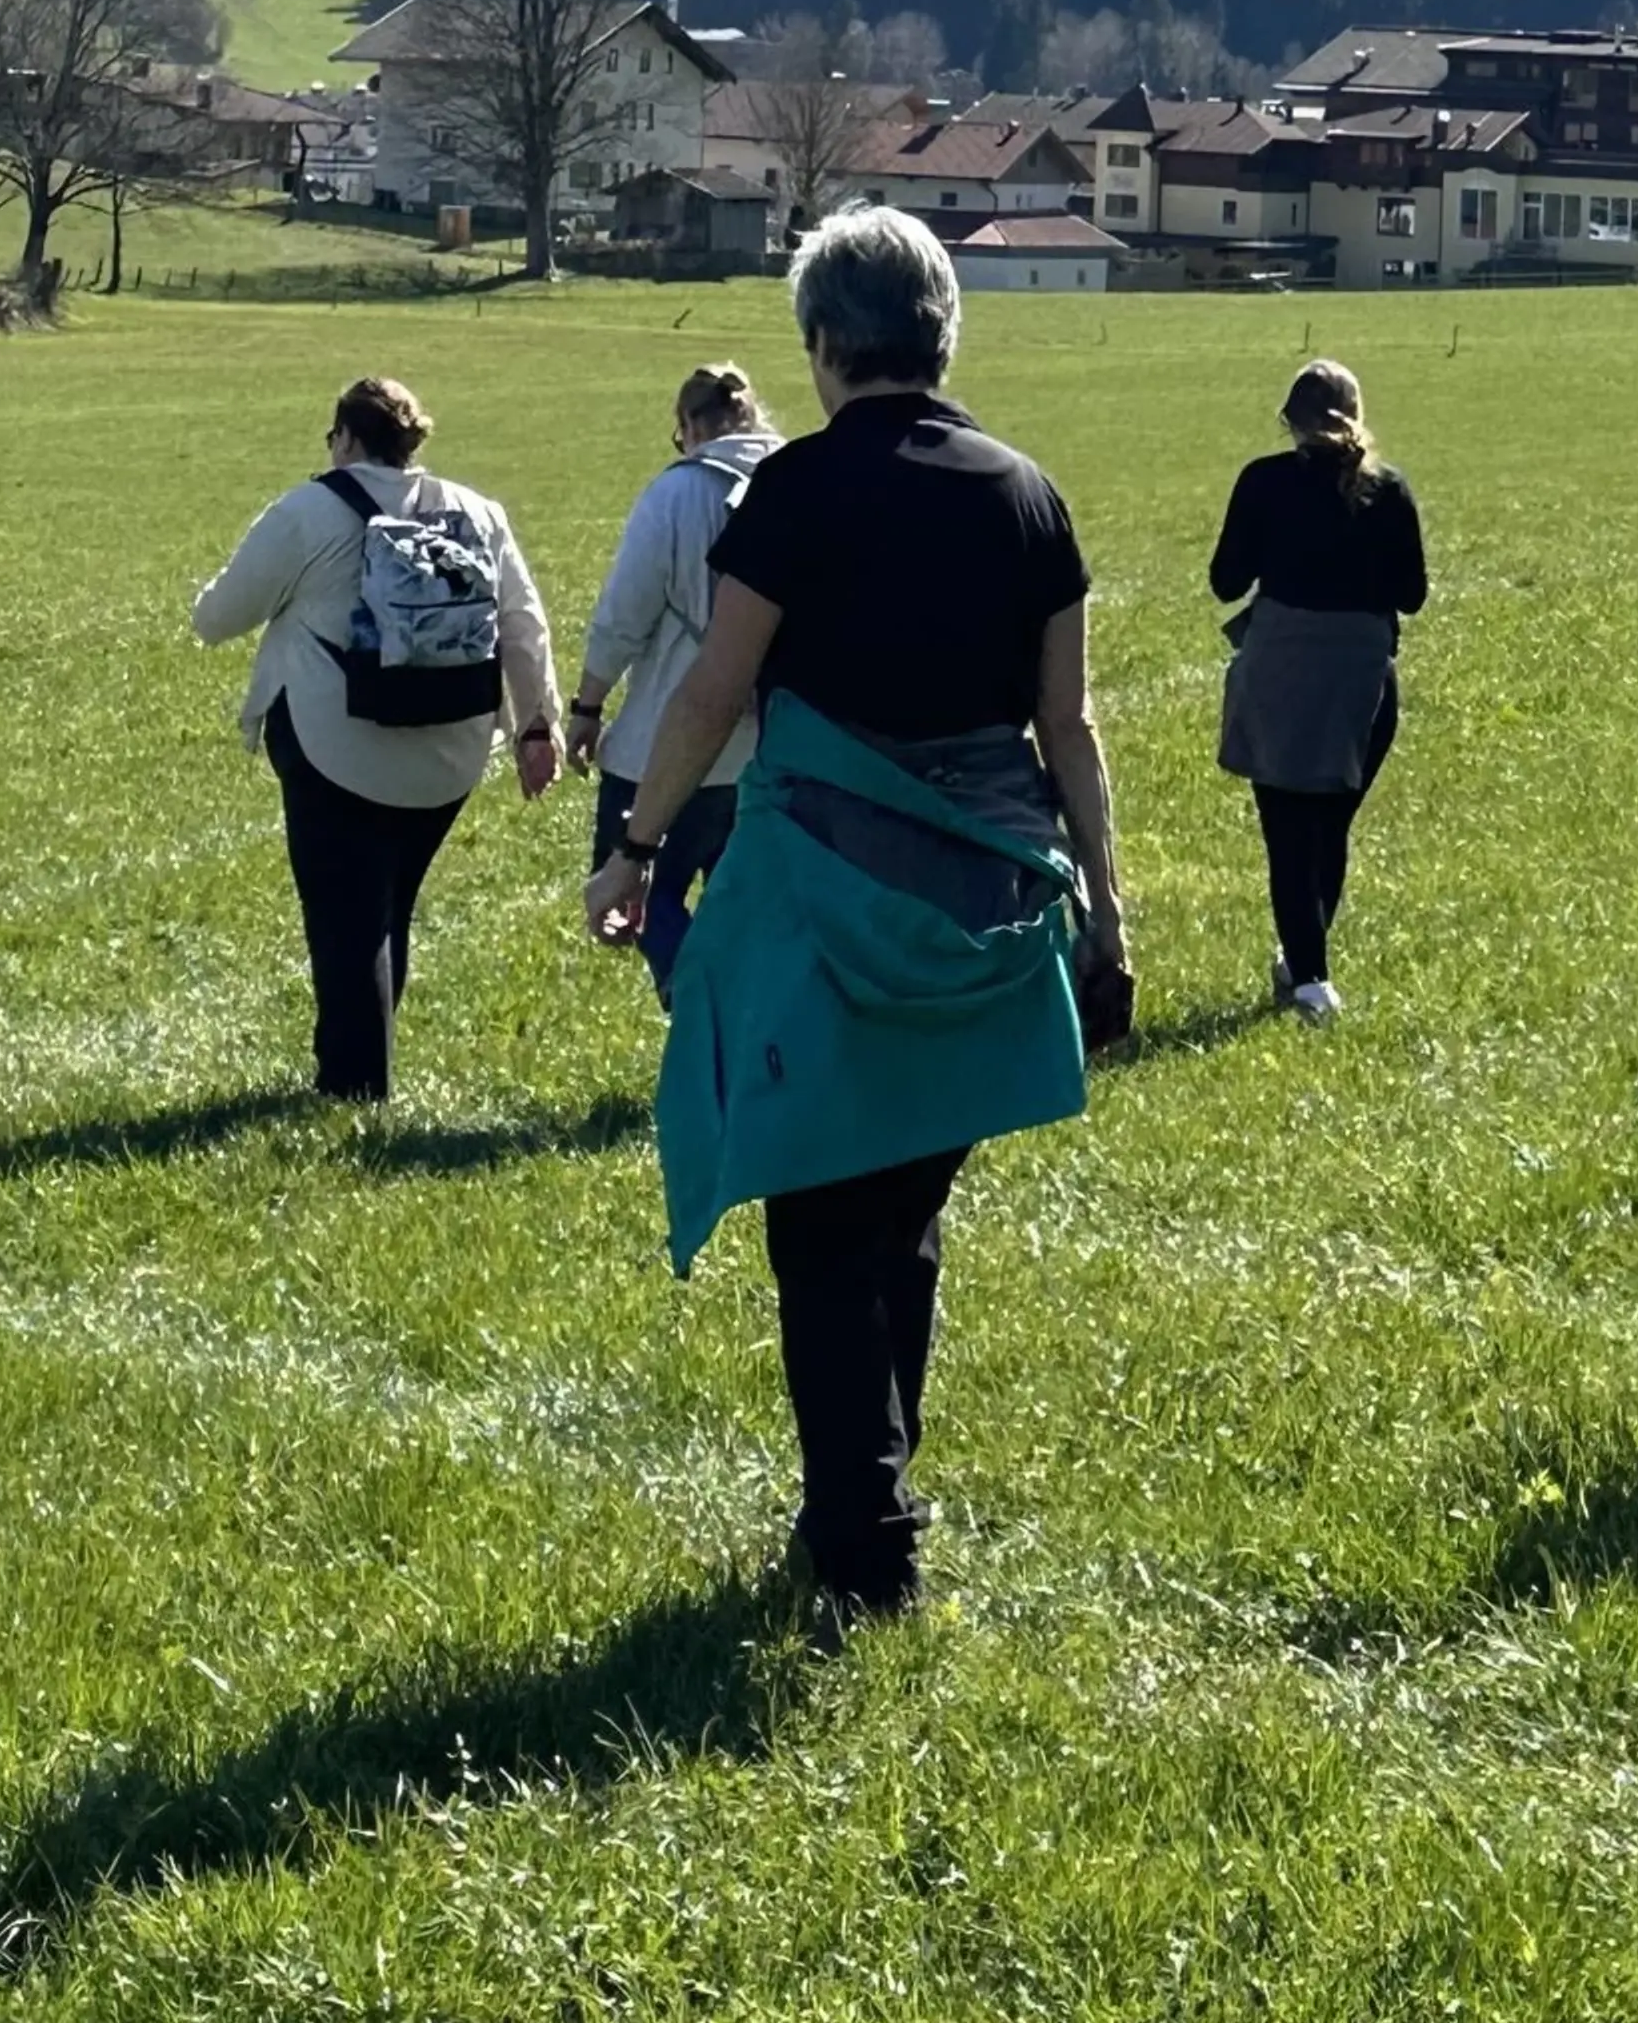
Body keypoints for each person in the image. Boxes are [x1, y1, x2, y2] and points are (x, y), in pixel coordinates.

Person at [591, 202, 1128, 1628]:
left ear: (825, 342)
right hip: (987, 916)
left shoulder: (796, 492)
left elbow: (712, 691)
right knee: (904, 1215)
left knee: (824, 1230)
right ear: (943, 331)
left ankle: (865, 1548)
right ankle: (870, 1495)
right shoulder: (1030, 494)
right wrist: (1108, 911)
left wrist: (636, 848)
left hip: (826, 905)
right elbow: (1068, 727)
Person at [192, 372, 559, 1103]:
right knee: (388, 911)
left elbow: (216, 619)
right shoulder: (476, 512)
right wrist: (535, 727)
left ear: (348, 438)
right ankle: (362, 1066)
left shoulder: (308, 512)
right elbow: (523, 625)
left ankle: (353, 1091)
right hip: (450, 748)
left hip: (337, 745)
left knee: (347, 923)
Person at [1211, 356, 1428, 1023]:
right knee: (1329, 826)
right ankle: (1301, 963)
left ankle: (1309, 980)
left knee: (1286, 834)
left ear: (1289, 421)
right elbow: (1412, 595)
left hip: (1278, 669)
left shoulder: (1262, 480)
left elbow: (1225, 581)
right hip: (1361, 679)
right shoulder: (1388, 489)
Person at [567, 362, 786, 999]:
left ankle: (694, 998)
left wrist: (588, 705)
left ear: (690, 426)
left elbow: (623, 618)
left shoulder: (676, 494)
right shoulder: (803, 480)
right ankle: (744, 1010)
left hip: (666, 744)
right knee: (745, 902)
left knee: (634, 885)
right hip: (774, 745)